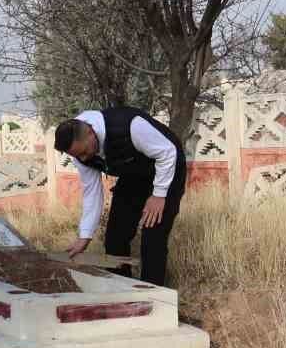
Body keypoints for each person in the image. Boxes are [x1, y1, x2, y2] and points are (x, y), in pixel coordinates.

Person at [53, 106, 186, 287]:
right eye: (78, 156)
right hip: (133, 173)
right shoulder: (80, 152)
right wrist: (85, 236)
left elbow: (167, 153)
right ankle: (121, 290)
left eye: (84, 152)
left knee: (153, 237)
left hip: (166, 166)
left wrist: (159, 195)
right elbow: (92, 192)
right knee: (115, 238)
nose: (83, 159)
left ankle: (152, 297)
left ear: (92, 133)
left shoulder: (131, 126)